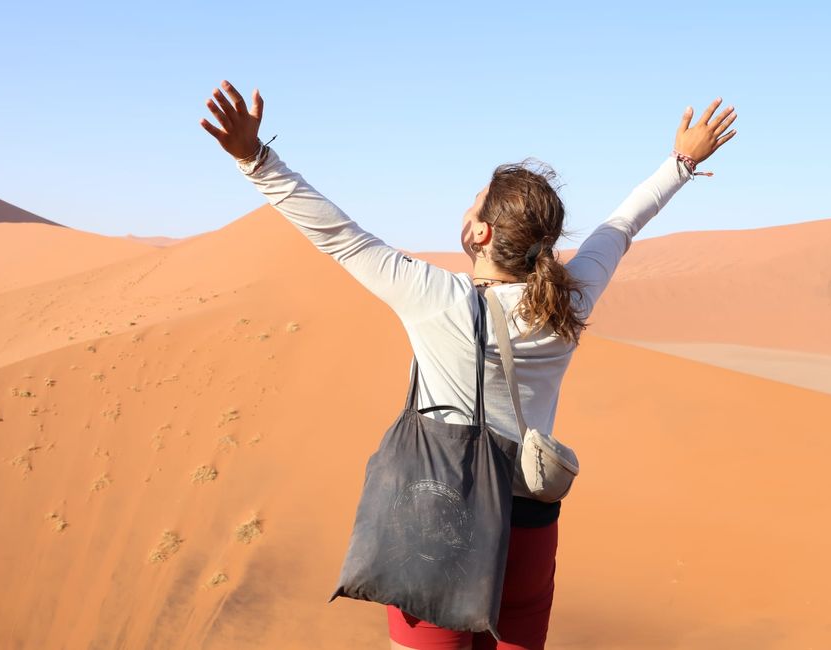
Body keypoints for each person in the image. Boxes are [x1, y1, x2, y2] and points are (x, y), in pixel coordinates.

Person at [200, 79, 737, 650]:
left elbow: (339, 236)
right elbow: (620, 227)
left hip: (440, 521)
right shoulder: (569, 299)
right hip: (529, 530)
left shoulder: (437, 297)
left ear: (479, 233)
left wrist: (254, 159)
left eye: (473, 201)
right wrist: (680, 163)